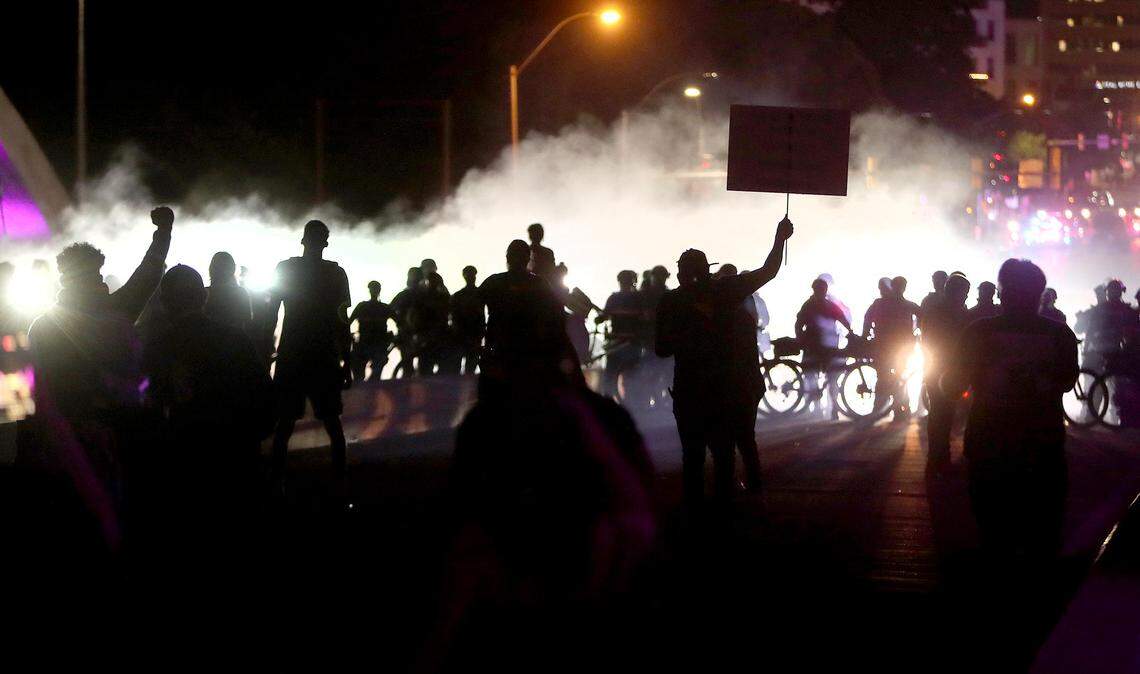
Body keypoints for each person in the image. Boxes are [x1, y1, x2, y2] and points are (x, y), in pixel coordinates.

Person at [24, 206, 175, 553]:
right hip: (115, 430)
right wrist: (163, 232)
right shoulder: (117, 310)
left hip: (71, 438)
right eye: (96, 274)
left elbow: (39, 393)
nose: (102, 280)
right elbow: (149, 274)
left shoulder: (43, 325)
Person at [942, 259, 1077, 566]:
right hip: (1043, 443)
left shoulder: (978, 332)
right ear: (1040, 294)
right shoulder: (1060, 336)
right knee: (1042, 532)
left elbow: (952, 385)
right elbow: (1067, 381)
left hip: (989, 440)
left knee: (993, 530)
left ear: (1002, 292)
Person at [656, 217, 793, 506]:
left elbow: (661, 349)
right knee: (723, 454)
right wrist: (779, 238)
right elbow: (768, 271)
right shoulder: (726, 291)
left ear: (680, 275)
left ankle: (694, 514)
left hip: (689, 391)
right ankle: (724, 513)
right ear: (708, 272)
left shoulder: (671, 303)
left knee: (692, 456)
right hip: (724, 391)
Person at [142, 265, 274, 560]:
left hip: (184, 469)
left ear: (165, 303)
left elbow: (148, 411)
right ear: (203, 297)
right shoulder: (236, 340)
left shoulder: (157, 349)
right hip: (237, 463)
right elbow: (266, 400)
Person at [268, 220, 352, 492]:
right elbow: (342, 321)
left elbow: (272, 314)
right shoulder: (335, 274)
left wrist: (266, 351)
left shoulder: (287, 269)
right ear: (325, 243)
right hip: (323, 356)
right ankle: (340, 483)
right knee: (331, 423)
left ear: (303, 240)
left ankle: (276, 483)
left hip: (292, 353)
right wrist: (346, 361)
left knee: (285, 424)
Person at [478, 239, 576, 399]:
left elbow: (473, 306)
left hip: (503, 352)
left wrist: (479, 341)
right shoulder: (539, 284)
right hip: (528, 354)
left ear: (507, 258)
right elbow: (555, 318)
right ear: (528, 259)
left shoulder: (495, 282)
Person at [921, 272, 971, 471]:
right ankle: (941, 457)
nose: (965, 297)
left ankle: (937, 456)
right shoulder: (960, 314)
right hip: (951, 371)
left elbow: (926, 340)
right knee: (946, 414)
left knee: (938, 414)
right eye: (964, 293)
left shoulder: (933, 311)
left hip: (935, 369)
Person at [863, 275, 920, 418]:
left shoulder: (879, 304)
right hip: (901, 349)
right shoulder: (908, 305)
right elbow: (923, 316)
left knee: (884, 377)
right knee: (899, 377)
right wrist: (918, 332)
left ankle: (880, 410)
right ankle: (901, 409)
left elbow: (867, 319)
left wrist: (865, 337)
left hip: (884, 347)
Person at [795, 278, 853, 420]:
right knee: (832, 378)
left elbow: (798, 324)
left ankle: (819, 409)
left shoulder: (808, 305)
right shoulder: (828, 305)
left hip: (813, 346)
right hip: (827, 346)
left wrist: (800, 339)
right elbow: (844, 320)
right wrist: (851, 333)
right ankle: (832, 408)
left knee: (812, 377)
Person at [596, 270, 644, 399]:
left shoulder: (614, 298)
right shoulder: (638, 298)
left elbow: (603, 316)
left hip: (618, 345)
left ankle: (609, 404)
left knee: (610, 379)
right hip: (632, 344)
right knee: (631, 380)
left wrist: (599, 317)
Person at [1078, 278, 1137, 372]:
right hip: (1105, 352)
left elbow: (1090, 330)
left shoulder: (1125, 310)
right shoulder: (1101, 309)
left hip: (1115, 352)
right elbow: (1090, 329)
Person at [349, 281, 395, 382]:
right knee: (360, 375)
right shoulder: (381, 307)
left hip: (376, 345)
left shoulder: (382, 307)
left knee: (372, 375)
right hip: (366, 344)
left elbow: (401, 324)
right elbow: (347, 324)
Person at [411, 271, 454, 375]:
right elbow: (414, 316)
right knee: (427, 368)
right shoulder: (422, 297)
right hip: (428, 336)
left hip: (437, 336)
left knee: (439, 368)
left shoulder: (442, 297)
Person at [204, 251, 253, 334]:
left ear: (211, 269)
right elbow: (247, 323)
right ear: (232, 269)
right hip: (234, 342)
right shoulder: (240, 294)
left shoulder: (204, 293)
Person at [451, 266, 485, 375]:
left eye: (472, 275)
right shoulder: (479, 294)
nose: (471, 277)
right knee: (462, 367)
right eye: (469, 275)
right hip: (464, 335)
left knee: (469, 367)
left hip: (472, 335)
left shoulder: (479, 294)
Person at [390, 267, 423, 378]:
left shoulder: (423, 294)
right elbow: (390, 310)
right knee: (409, 364)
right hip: (408, 333)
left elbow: (390, 310)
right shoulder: (406, 294)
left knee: (416, 365)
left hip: (420, 333)